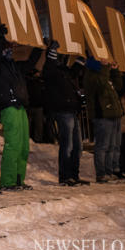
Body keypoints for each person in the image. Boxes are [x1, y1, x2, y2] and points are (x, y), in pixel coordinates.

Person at [0, 24, 42, 191]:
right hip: (9, 107)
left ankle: (19, 179)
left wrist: (40, 47)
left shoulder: (15, 67)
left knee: (23, 145)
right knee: (13, 144)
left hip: (20, 107)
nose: (10, 50)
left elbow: (31, 62)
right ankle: (7, 181)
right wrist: (0, 39)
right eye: (7, 48)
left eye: (11, 47)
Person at [41, 41, 88, 186]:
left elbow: (74, 70)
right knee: (67, 145)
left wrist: (82, 57)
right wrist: (52, 50)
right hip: (63, 112)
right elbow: (50, 64)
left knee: (77, 146)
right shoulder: (50, 70)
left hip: (72, 112)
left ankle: (74, 175)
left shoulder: (63, 71)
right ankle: (65, 177)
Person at [83, 56, 123, 183]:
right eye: (101, 61)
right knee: (103, 146)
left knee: (112, 146)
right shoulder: (92, 76)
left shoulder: (104, 75)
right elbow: (101, 85)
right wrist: (105, 68)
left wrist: (115, 71)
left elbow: (118, 86)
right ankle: (101, 174)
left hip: (113, 114)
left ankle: (109, 171)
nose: (105, 62)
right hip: (102, 116)